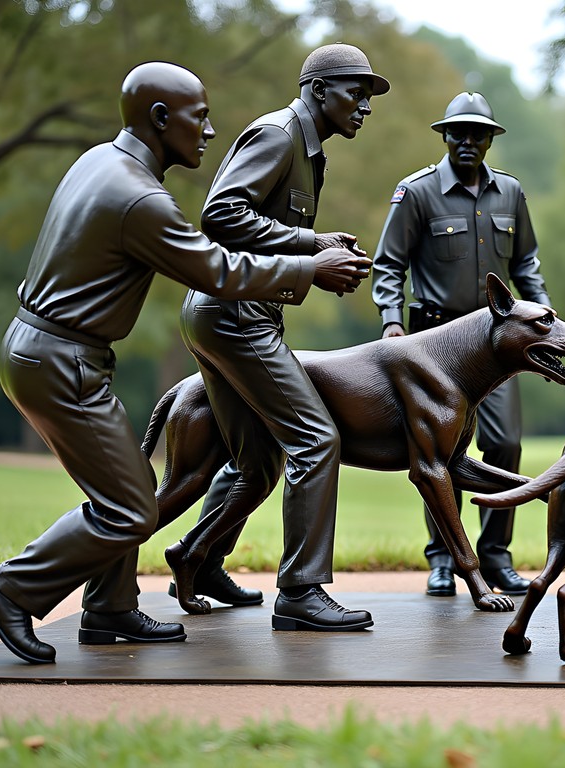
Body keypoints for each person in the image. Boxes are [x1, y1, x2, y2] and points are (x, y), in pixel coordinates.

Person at [0, 61, 366, 664]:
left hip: (57, 355)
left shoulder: (101, 161)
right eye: (198, 117)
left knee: (130, 488)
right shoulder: (140, 198)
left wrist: (308, 247)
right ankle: (6, 592)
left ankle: (110, 609)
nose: (209, 131)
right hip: (60, 361)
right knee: (130, 508)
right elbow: (216, 268)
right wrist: (312, 265)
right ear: (159, 119)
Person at [160, 43, 388, 631]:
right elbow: (221, 215)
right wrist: (311, 247)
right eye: (355, 94)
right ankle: (301, 592)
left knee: (256, 460)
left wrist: (322, 243)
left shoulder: (309, 149)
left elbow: (264, 226)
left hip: (230, 314)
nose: (365, 106)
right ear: (318, 91)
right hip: (233, 316)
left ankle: (199, 559)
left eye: (368, 97)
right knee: (317, 440)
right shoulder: (279, 135)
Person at [370, 92, 551, 598]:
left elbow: (526, 265)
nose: (467, 141)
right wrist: (391, 322)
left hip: (500, 345)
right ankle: (445, 558)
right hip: (437, 345)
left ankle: (496, 555)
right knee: (438, 453)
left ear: (491, 139)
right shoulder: (418, 193)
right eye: (458, 132)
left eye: (478, 133)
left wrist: (547, 320)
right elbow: (388, 265)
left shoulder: (510, 194)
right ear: (444, 135)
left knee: (506, 443)